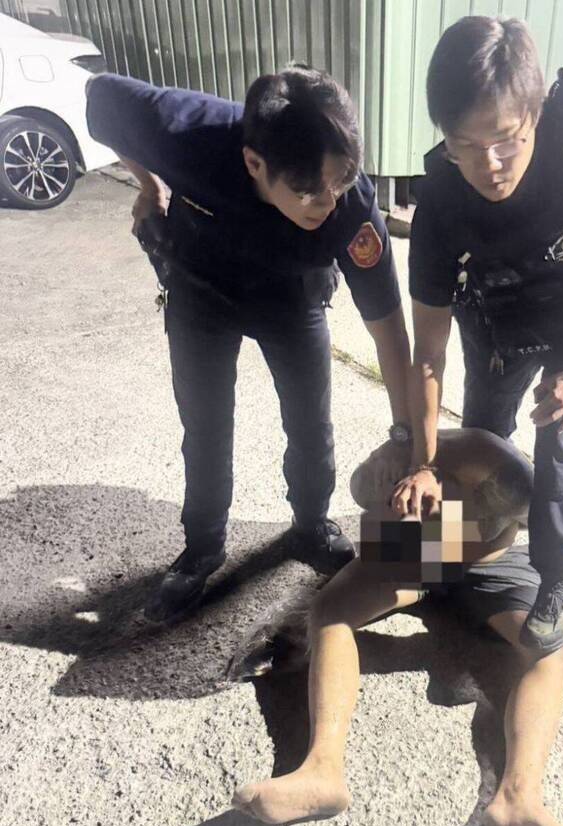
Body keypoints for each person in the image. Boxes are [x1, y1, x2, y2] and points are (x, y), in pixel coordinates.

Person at [84, 66, 413, 622]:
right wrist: (150, 185)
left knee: (311, 422)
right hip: (201, 289)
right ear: (255, 163)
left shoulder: (351, 205)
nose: (328, 203)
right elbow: (99, 98)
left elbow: (390, 331)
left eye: (339, 182)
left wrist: (404, 434)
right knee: (206, 424)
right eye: (308, 191)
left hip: (293, 297)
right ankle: (202, 547)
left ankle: (310, 523)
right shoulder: (190, 133)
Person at [393, 17, 563, 653]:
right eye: (465, 145)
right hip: (500, 318)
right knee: (482, 438)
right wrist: (423, 463)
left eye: (506, 140)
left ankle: (559, 572)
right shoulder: (440, 201)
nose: (489, 164)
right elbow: (427, 352)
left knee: (557, 428)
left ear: (535, 113)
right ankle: (455, 551)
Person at [232, 428, 563, 826]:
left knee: (553, 646)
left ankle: (519, 800)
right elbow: (362, 492)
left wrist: (451, 498)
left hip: (491, 561)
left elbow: (535, 507)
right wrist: (390, 480)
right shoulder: (395, 458)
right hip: (420, 553)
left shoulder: (486, 457)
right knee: (330, 611)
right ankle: (320, 770)